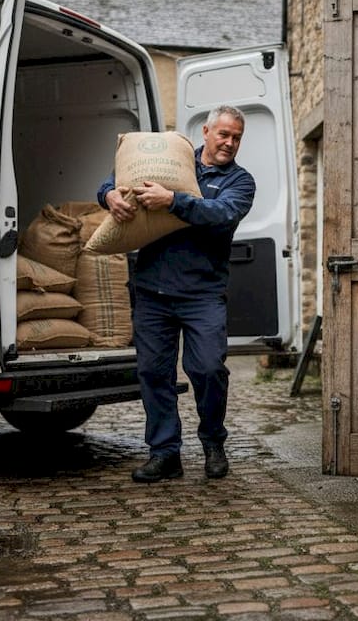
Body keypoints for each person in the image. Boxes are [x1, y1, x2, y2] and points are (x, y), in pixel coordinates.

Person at [97, 105, 256, 482]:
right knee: (154, 373)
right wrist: (108, 196)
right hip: (152, 291)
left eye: (236, 137)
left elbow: (221, 214)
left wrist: (172, 201)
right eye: (224, 134)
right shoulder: (173, 160)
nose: (229, 143)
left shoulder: (240, 182)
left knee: (209, 369)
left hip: (203, 293)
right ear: (206, 132)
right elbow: (116, 179)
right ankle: (165, 453)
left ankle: (213, 442)